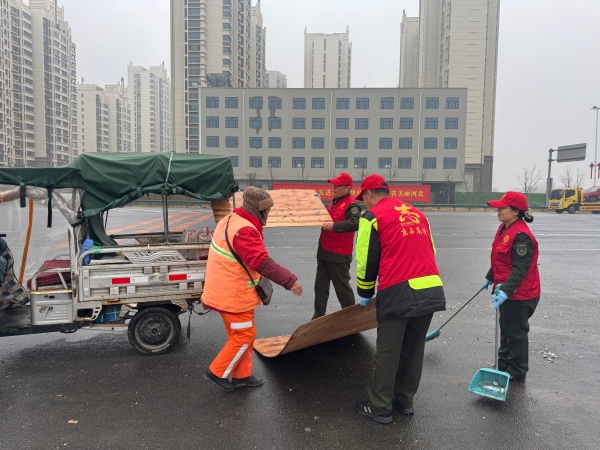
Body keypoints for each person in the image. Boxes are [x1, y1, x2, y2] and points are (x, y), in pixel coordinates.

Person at [353, 174, 446, 424]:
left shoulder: (372, 217)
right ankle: (405, 401)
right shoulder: (418, 214)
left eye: (363, 198)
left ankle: (380, 407)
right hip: (430, 288)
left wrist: (365, 292)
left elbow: (366, 259)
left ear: (369, 194)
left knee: (388, 352)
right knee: (413, 350)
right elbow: (431, 250)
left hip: (398, 291)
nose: (364, 203)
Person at [202, 187, 304, 392]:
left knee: (241, 334)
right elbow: (260, 262)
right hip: (233, 297)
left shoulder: (230, 220)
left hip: (225, 293)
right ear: (259, 210)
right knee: (244, 336)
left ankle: (242, 376)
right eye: (267, 211)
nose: (268, 214)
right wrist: (289, 281)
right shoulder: (245, 230)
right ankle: (217, 372)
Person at [483, 191, 540, 382]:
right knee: (506, 330)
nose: (498, 210)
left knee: (516, 333)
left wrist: (506, 291)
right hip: (505, 290)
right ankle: (504, 365)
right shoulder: (504, 227)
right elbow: (501, 259)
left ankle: (517, 370)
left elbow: (520, 268)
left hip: (520, 294)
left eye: (502, 208)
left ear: (516, 211)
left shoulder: (521, 236)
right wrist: (490, 277)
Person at [312, 172, 361, 320]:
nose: (333, 188)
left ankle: (351, 320)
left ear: (347, 188)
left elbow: (355, 223)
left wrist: (334, 226)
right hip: (324, 251)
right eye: (333, 185)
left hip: (339, 254)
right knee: (320, 288)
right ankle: (318, 317)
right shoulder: (334, 202)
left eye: (337, 186)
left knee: (342, 290)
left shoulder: (352, 205)